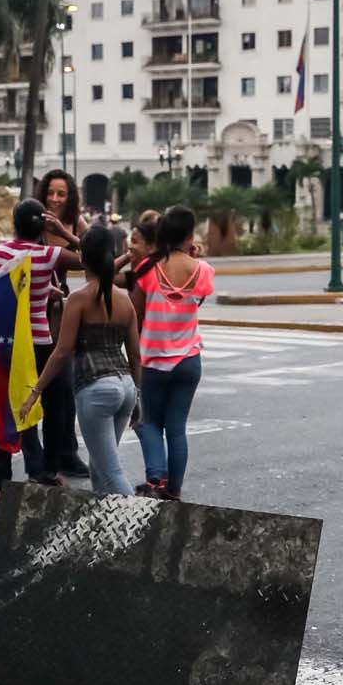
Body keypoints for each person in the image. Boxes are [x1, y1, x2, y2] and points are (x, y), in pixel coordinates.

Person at [0, 198, 84, 494]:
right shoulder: (48, 255)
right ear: (44, 224)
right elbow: (92, 258)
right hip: (39, 346)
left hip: (3, 344)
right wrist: (68, 234)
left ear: (14, 223)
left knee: (6, 408)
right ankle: (44, 471)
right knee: (52, 407)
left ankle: (4, 484)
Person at [20, 225, 141, 496]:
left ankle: (141, 528)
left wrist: (35, 392)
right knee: (99, 468)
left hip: (96, 389)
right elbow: (135, 355)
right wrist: (138, 397)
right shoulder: (124, 301)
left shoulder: (78, 299)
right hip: (125, 389)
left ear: (83, 259)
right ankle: (108, 531)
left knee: (111, 472)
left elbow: (62, 352)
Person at [133, 205, 214, 499]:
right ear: (190, 235)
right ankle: (174, 490)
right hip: (189, 359)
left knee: (150, 421)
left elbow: (135, 313)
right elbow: (197, 301)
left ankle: (156, 478)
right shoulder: (203, 270)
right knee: (176, 428)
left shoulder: (148, 270)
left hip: (153, 359)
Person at [36, 170, 89, 480]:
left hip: (63, 313)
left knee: (66, 389)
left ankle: (67, 454)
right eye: (51, 193)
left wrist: (67, 233)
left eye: (61, 194)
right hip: (39, 310)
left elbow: (95, 251)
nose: (54, 199)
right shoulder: (35, 222)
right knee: (50, 389)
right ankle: (48, 459)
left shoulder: (72, 222)